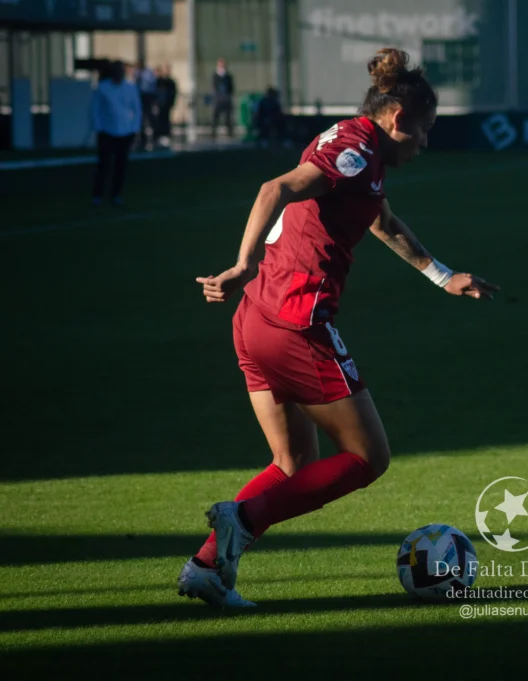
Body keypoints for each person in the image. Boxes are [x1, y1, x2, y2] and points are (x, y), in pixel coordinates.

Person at [178, 48, 498, 607]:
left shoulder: (360, 150)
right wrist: (244, 262)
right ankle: (243, 519)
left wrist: (442, 275)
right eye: (423, 133)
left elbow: (384, 222)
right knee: (367, 457)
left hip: (255, 320)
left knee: (291, 464)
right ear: (398, 119)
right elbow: (273, 190)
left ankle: (207, 567)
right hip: (295, 323)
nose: (424, 145)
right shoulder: (353, 149)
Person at [90, 60, 142, 206]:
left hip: (125, 132)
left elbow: (136, 109)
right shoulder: (102, 88)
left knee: (121, 165)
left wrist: (134, 128)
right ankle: (97, 194)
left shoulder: (130, 88)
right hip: (107, 132)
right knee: (104, 164)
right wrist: (98, 127)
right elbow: (95, 109)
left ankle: (116, 194)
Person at [136, 60, 158, 150]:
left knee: (150, 118)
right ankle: (142, 139)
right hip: (141, 97)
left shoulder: (148, 73)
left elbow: (152, 85)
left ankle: (154, 138)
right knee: (142, 119)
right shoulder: (137, 73)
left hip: (148, 97)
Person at [155, 64, 178, 147]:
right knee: (159, 120)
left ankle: (166, 135)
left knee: (166, 120)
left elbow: (174, 93)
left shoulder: (171, 82)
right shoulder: (158, 81)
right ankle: (158, 136)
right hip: (160, 104)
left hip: (167, 105)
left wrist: (171, 103)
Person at [212, 58, 235, 139]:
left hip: (226, 99)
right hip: (218, 99)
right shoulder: (215, 76)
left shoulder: (228, 76)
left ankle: (229, 133)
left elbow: (231, 87)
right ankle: (213, 133)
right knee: (216, 116)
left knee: (228, 116)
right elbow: (214, 86)